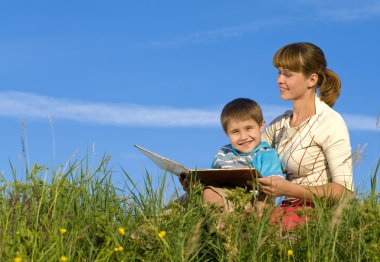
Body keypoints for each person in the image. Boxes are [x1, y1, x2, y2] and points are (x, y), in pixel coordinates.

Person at [258, 42, 354, 230]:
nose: (279, 80)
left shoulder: (330, 122)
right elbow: (253, 163)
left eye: (287, 74)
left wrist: (288, 189)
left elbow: (344, 191)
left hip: (316, 216)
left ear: (311, 80)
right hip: (283, 212)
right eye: (279, 72)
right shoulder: (278, 125)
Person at [203, 98, 284, 212]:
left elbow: (272, 186)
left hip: (251, 202)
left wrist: (260, 208)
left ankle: (220, 228)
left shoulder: (265, 154)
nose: (243, 137)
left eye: (248, 128)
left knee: (209, 193)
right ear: (227, 133)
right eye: (235, 132)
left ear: (261, 126)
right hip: (222, 197)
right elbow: (210, 179)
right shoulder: (223, 153)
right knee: (193, 196)